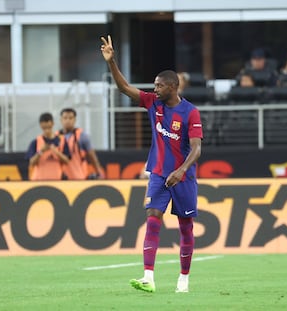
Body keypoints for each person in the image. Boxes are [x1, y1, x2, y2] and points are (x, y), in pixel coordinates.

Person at [101, 35, 203, 293]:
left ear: (172, 87)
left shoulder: (190, 112)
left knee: (185, 227)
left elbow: (197, 148)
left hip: (183, 178)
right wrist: (112, 62)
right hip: (158, 173)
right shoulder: (152, 103)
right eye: (154, 86)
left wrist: (181, 171)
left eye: (159, 86)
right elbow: (124, 88)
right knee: (152, 218)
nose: (154, 89)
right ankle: (148, 277)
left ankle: (183, 279)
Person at [58, 107, 105, 180]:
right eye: (65, 118)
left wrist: (99, 172)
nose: (68, 121)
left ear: (75, 120)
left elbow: (92, 156)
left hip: (79, 176)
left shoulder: (82, 136)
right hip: (60, 178)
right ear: (61, 120)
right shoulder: (55, 136)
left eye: (70, 118)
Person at [25, 112, 71, 181]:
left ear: (52, 124)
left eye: (49, 127)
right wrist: (41, 151)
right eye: (44, 128)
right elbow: (31, 162)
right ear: (41, 126)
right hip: (39, 181)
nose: (47, 130)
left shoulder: (62, 140)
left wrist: (57, 152)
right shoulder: (35, 142)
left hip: (57, 180)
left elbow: (67, 161)